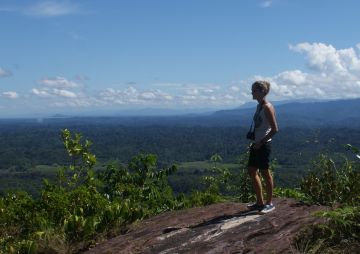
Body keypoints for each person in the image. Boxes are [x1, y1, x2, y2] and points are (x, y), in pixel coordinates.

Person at [246, 80, 278, 213]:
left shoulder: (267, 107)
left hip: (264, 145)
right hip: (257, 144)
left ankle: (269, 203)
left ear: (262, 92)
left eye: (254, 90)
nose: (251, 92)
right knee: (252, 171)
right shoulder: (259, 106)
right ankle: (259, 202)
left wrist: (261, 142)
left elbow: (275, 129)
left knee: (265, 173)